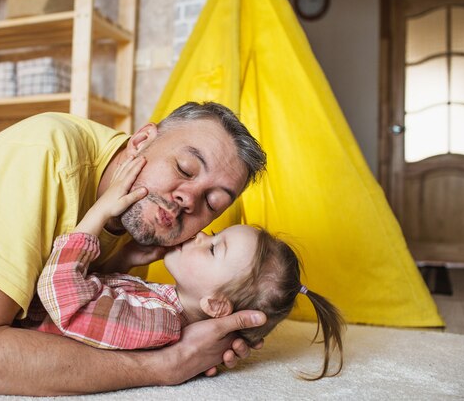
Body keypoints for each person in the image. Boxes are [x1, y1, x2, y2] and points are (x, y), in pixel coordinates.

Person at [0, 102, 269, 395]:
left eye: (213, 203)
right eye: (184, 169)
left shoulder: (141, 226)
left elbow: (78, 329)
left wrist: (201, 336)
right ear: (142, 140)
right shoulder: (47, 153)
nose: (189, 200)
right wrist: (164, 365)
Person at [27, 154, 344, 379]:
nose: (203, 234)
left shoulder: (160, 323)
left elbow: (68, 303)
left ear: (215, 304)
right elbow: (103, 299)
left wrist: (98, 214)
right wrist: (123, 261)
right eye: (216, 233)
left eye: (214, 248)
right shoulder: (163, 303)